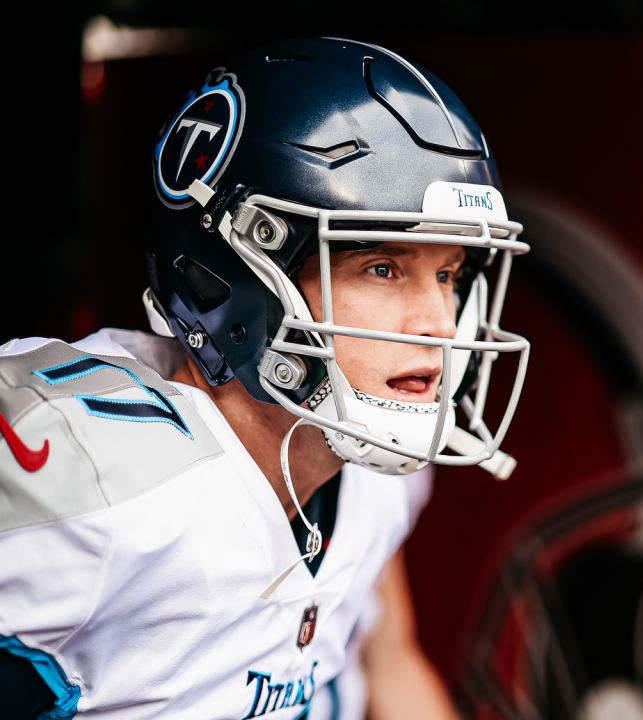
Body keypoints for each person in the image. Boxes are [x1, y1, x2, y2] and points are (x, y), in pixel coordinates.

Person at [0, 36, 530, 718]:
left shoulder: (363, 464)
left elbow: (392, 662)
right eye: (383, 268)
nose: (439, 323)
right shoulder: (92, 472)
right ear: (242, 277)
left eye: (450, 275)